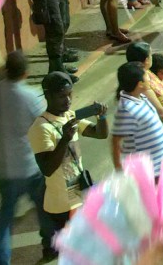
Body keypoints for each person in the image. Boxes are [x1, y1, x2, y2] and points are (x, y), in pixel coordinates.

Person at [0, 52, 54, 265]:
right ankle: (50, 244)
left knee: (5, 218)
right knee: (44, 208)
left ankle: (2, 259)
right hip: (29, 167)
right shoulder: (30, 97)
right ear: (26, 72)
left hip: (3, 168)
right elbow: (46, 122)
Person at [30, 71, 108, 237]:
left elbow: (100, 134)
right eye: (61, 96)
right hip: (61, 205)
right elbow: (47, 169)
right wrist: (64, 139)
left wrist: (102, 117)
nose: (68, 100)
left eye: (70, 94)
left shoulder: (70, 116)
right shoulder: (41, 128)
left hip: (80, 197)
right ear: (48, 96)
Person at [111, 62, 163, 177]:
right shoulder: (127, 110)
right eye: (146, 76)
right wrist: (119, 169)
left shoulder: (141, 97)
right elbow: (116, 141)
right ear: (140, 84)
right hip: (147, 173)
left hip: (159, 165)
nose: (149, 79)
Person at [124, 42, 163, 145]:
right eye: (150, 55)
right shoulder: (142, 84)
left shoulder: (147, 73)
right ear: (147, 60)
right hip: (155, 137)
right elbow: (162, 114)